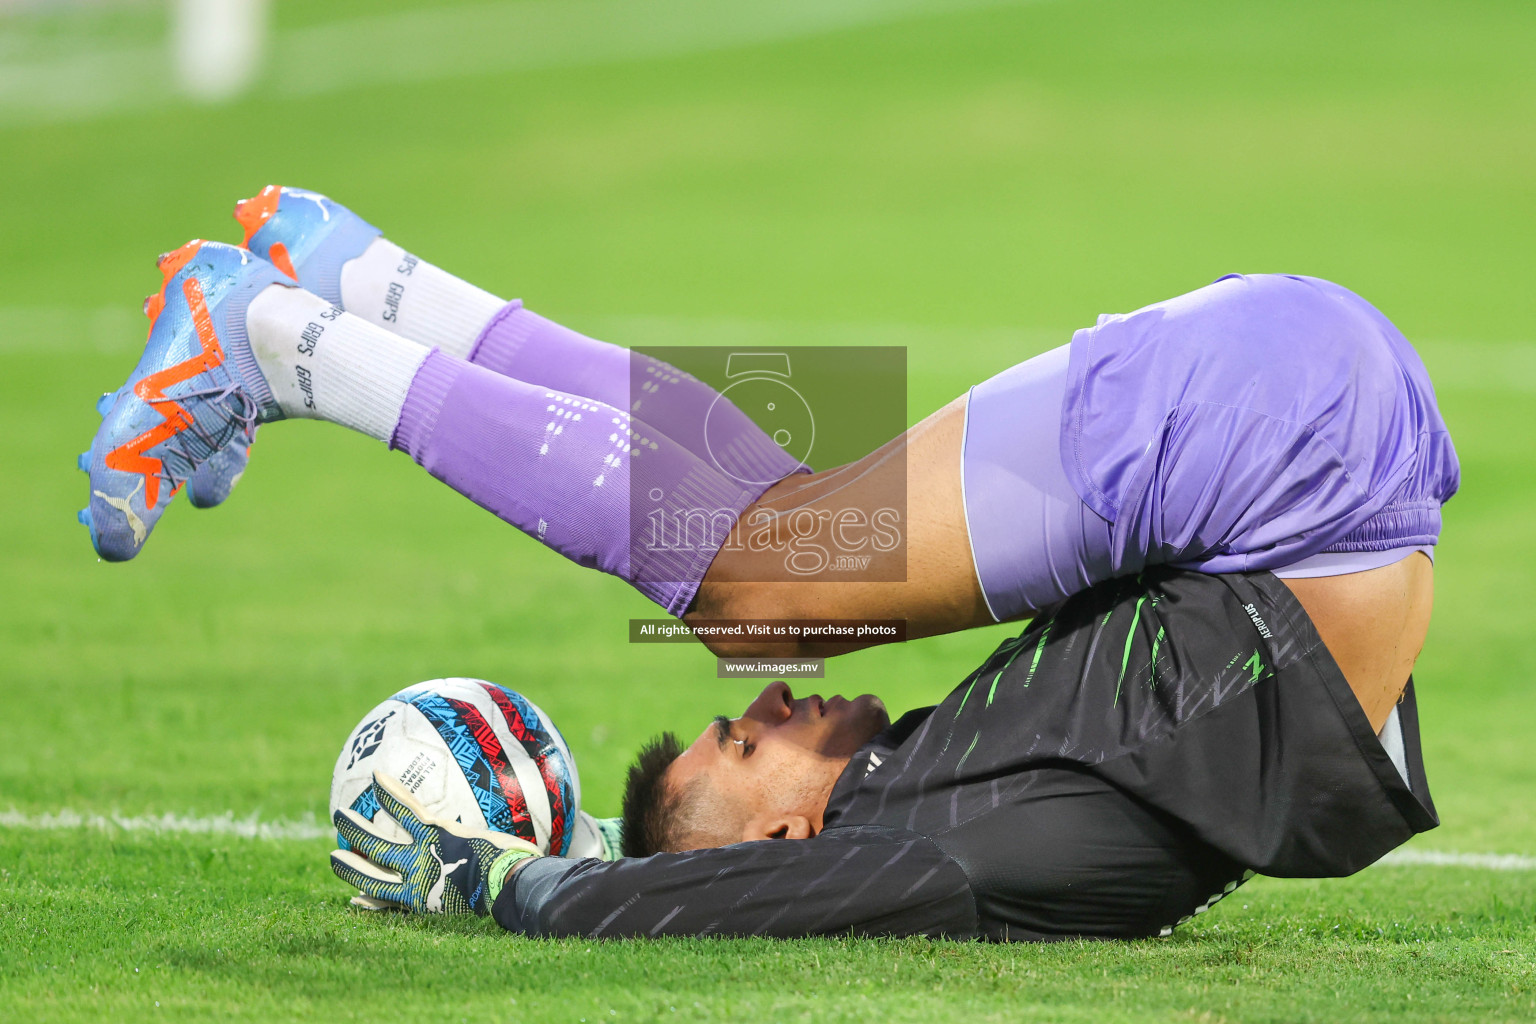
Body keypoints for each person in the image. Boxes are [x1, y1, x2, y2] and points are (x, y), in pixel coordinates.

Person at [82, 187, 1456, 940]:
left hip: (1287, 440)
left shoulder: (963, 802)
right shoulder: (934, 837)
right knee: (768, 565)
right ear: (792, 833)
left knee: (763, 581)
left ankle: (293, 335)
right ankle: (342, 284)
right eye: (746, 752)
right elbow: (727, 893)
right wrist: (561, 879)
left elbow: (643, 887)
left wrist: (488, 874)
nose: (766, 709)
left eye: (729, 740)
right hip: (1295, 430)